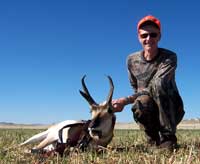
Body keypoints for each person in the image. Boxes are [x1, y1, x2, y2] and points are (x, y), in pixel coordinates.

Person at [112, 15, 185, 150]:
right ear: (139, 37)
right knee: (140, 102)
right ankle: (152, 138)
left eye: (153, 35)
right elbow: (135, 87)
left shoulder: (169, 57)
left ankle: (168, 137)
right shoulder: (131, 60)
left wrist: (124, 101)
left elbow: (155, 85)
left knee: (158, 86)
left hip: (172, 107)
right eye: (144, 35)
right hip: (148, 106)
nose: (148, 39)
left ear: (159, 37)